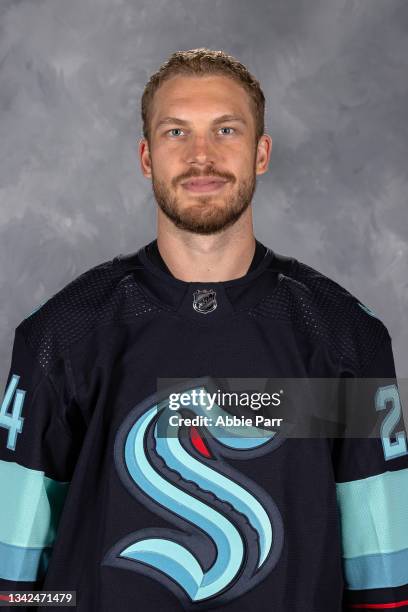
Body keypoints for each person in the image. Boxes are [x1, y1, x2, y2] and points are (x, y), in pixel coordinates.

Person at [0, 48, 407, 612]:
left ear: (261, 152)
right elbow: (13, 581)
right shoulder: (60, 335)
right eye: (175, 132)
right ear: (146, 156)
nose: (201, 156)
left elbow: (382, 580)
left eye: (226, 129)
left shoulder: (343, 337)